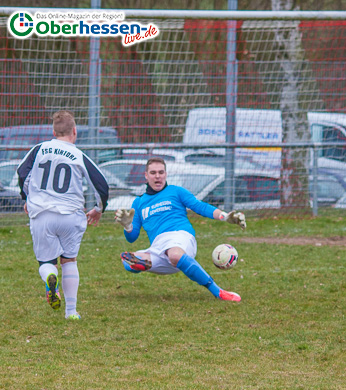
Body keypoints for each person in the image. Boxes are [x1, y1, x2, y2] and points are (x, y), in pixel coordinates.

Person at [17, 110, 110, 320]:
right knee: (69, 260)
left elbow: (22, 173)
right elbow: (101, 185)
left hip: (42, 215)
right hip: (71, 215)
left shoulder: (39, 149)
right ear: (74, 131)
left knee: (46, 263)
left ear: (53, 131)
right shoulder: (78, 155)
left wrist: (27, 198)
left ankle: (50, 276)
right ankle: (71, 312)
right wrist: (98, 208)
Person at [114, 157, 246, 302]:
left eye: (161, 172)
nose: (157, 176)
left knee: (175, 253)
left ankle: (218, 292)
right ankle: (144, 263)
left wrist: (225, 216)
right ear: (146, 175)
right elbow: (132, 237)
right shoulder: (139, 202)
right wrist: (127, 226)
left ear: (166, 174)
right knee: (127, 261)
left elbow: (200, 206)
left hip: (180, 237)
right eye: (153, 173)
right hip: (158, 247)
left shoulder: (176, 191)